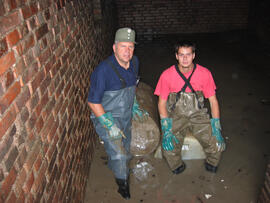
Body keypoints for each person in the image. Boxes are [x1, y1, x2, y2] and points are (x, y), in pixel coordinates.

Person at [87, 27, 148, 199]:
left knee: (126, 145)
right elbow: (93, 101)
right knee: (120, 154)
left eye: (130, 46)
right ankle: (123, 186)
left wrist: (134, 103)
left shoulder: (135, 62)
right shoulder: (103, 71)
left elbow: (133, 84)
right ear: (114, 47)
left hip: (126, 113)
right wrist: (109, 124)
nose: (127, 51)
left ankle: (117, 164)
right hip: (106, 116)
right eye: (123, 46)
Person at [154, 40, 226, 174]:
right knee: (168, 147)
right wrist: (166, 128)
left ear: (194, 55)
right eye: (181, 55)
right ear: (176, 56)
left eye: (188, 54)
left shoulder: (205, 73)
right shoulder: (167, 75)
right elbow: (161, 103)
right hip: (176, 115)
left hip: (198, 115)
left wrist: (216, 125)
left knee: (216, 143)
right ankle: (176, 166)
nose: (185, 58)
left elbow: (213, 101)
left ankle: (211, 164)